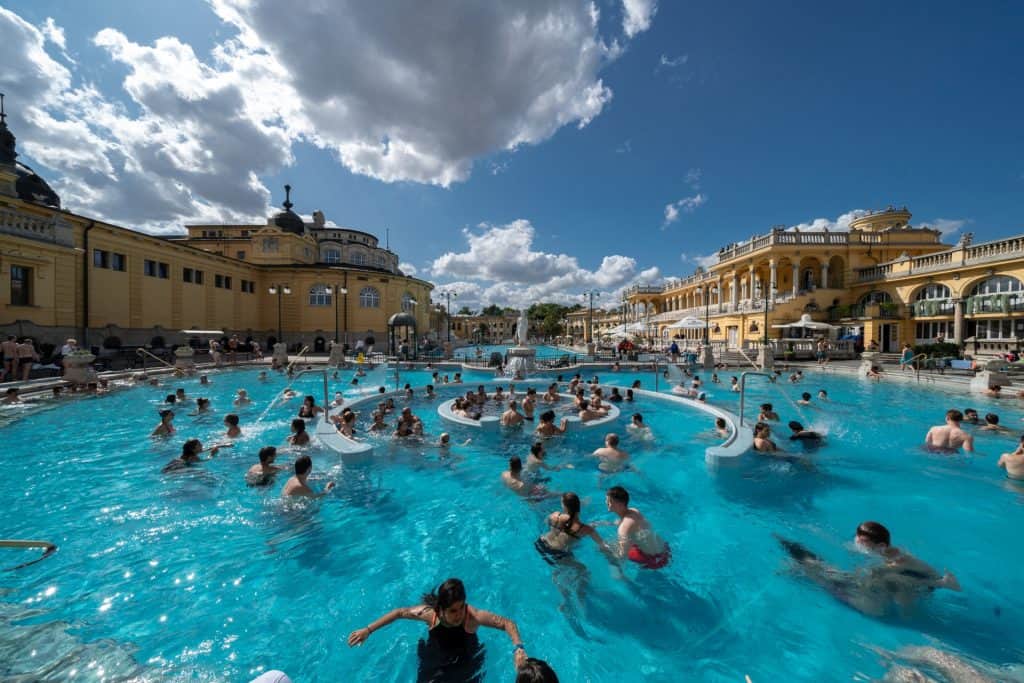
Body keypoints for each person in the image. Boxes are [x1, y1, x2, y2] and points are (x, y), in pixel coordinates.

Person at [347, 578, 527, 679]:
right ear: (440, 609)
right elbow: (399, 613)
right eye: (453, 611)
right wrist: (367, 630)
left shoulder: (472, 617)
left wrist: (518, 648)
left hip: (465, 658)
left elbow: (507, 623)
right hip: (436, 654)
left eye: (462, 607)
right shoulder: (429, 614)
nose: (459, 614)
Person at [777, 521, 961, 617]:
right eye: (857, 537)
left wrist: (939, 583)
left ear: (880, 545)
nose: (857, 542)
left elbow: (881, 578)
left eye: (862, 541)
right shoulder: (885, 554)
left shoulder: (897, 561)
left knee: (837, 579)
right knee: (840, 576)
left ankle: (804, 568)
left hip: (907, 594)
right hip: (897, 591)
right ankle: (806, 567)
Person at [606, 486, 670, 569]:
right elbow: (629, 524)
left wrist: (605, 549)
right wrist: (609, 523)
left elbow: (622, 557)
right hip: (665, 550)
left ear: (619, 504)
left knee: (610, 546)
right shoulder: (634, 511)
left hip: (654, 561)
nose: (606, 502)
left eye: (609, 501)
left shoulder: (623, 528)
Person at [535, 492, 607, 562]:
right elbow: (601, 544)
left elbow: (545, 523)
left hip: (540, 544)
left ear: (564, 506)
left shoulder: (555, 515)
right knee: (584, 572)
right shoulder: (586, 529)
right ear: (578, 506)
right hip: (556, 554)